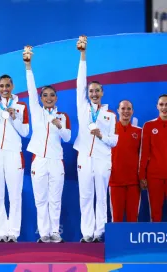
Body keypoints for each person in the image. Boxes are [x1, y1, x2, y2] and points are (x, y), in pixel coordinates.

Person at [0, 37, 29, 243]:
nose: (4, 88)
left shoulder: (21, 107)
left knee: (15, 194)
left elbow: (25, 133)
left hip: (13, 153)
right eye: (1, 86)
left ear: (13, 86)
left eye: (8, 85)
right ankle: (2, 232)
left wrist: (15, 118)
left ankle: (14, 233)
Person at [24, 48, 71, 243]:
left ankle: (55, 232)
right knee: (40, 199)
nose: (49, 98)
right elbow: (30, 87)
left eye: (52, 95)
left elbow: (67, 138)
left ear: (56, 98)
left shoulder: (62, 116)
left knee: (55, 199)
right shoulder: (35, 111)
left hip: (56, 161)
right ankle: (43, 233)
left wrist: (59, 127)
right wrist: (28, 66)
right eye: (45, 95)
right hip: (39, 161)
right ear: (41, 98)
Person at [74, 38, 118, 243]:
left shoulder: (110, 115)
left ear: (102, 93)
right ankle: (87, 233)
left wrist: (102, 136)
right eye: (91, 91)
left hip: (102, 158)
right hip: (84, 156)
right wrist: (83, 55)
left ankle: (100, 232)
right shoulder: (82, 108)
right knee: (85, 196)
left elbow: (114, 141)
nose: (93, 93)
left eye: (97, 91)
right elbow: (80, 83)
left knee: (102, 196)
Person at [109, 100, 141, 222]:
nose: (126, 111)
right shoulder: (110, 130)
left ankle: (131, 241)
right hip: (115, 181)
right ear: (118, 111)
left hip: (134, 182)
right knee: (116, 218)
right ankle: (116, 241)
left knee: (133, 218)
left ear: (132, 111)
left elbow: (142, 156)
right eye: (123, 109)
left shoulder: (139, 131)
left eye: (129, 109)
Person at [139, 94, 167, 222]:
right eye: (161, 104)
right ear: (157, 106)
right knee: (155, 212)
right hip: (154, 175)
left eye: (166, 105)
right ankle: (155, 241)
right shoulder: (149, 126)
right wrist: (142, 176)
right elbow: (144, 153)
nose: (164, 107)